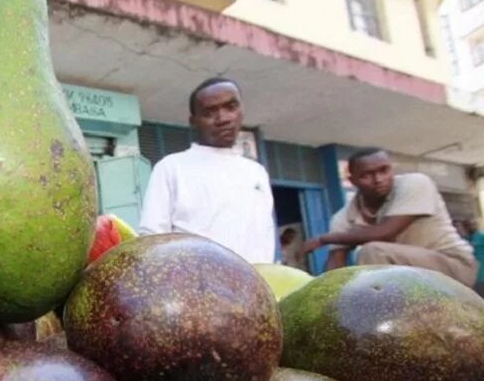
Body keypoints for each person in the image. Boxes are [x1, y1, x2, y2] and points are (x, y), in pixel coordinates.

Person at [139, 78, 275, 263]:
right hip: (195, 288)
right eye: (209, 112)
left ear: (241, 111)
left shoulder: (256, 172)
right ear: (193, 121)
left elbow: (265, 239)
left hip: (257, 285)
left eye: (231, 107)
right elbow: (151, 240)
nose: (223, 119)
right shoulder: (171, 167)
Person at [303, 149, 477, 286]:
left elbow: (386, 232)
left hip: (453, 265)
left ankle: (377, 315)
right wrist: (326, 292)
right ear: (352, 180)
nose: (378, 179)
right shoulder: (343, 216)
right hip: (412, 277)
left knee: (373, 251)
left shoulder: (415, 183)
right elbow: (335, 263)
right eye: (367, 175)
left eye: (384, 170)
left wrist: (324, 239)